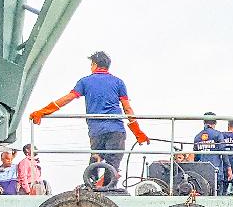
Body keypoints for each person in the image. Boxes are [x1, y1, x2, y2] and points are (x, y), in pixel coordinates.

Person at [29, 51, 149, 188]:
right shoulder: (118, 82)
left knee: (96, 158)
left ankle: (91, 185)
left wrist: (43, 112)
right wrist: (137, 132)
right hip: (116, 130)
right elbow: (127, 109)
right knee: (113, 163)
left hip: (96, 131)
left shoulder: (85, 82)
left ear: (94, 64)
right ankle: (108, 189)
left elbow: (67, 98)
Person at [192, 112, 227, 195]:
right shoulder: (218, 134)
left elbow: (196, 157)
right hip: (216, 171)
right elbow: (224, 153)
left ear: (204, 122)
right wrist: (228, 168)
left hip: (201, 173)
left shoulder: (197, 137)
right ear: (215, 122)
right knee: (218, 198)